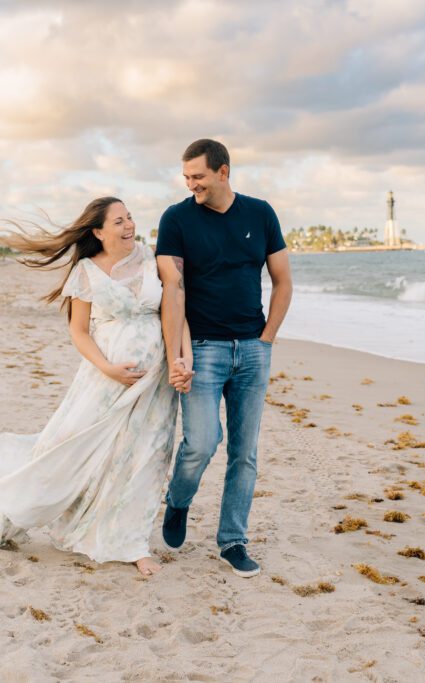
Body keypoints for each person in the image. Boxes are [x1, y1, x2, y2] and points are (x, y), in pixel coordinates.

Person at [0, 197, 189, 576]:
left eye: (129, 217)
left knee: (144, 457)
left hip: (154, 383)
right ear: (98, 232)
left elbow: (178, 312)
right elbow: (79, 332)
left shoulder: (153, 259)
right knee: (68, 447)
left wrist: (181, 359)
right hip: (104, 380)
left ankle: (132, 543)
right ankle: (11, 513)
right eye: (119, 221)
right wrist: (108, 368)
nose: (129, 225)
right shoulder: (86, 271)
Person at [156, 139, 293, 578]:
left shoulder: (260, 213)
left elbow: (283, 280)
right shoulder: (176, 219)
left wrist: (266, 339)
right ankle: (178, 500)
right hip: (202, 350)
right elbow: (172, 290)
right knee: (200, 443)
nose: (191, 184)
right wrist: (177, 353)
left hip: (253, 349)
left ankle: (232, 539)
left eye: (198, 176)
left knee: (244, 453)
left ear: (223, 172)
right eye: (186, 177)